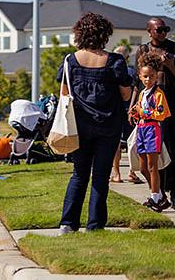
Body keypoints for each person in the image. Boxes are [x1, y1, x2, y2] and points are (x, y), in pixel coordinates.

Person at [58, 12, 133, 233]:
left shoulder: (70, 61)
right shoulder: (115, 62)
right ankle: (94, 225)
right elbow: (126, 95)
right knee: (101, 177)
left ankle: (68, 223)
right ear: (104, 35)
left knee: (79, 175)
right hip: (108, 125)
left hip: (79, 126)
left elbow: (64, 92)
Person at [138, 18, 175, 205]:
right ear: (149, 31)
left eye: (165, 29)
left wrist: (170, 65)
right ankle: (159, 193)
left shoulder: (173, 48)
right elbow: (138, 80)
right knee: (151, 154)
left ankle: (174, 192)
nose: (162, 33)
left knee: (172, 148)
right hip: (149, 109)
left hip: (171, 105)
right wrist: (132, 106)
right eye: (159, 30)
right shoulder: (143, 50)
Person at [131, 49, 171, 211]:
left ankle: (155, 196)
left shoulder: (158, 93)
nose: (148, 79)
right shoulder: (142, 93)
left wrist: (143, 112)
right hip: (141, 128)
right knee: (142, 168)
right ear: (140, 76)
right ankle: (159, 194)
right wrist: (135, 111)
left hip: (152, 129)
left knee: (153, 165)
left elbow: (162, 114)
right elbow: (139, 111)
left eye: (151, 76)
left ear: (156, 76)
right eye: (145, 76)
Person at [111, 44, 142, 184]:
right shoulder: (131, 71)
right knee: (132, 142)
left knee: (115, 143)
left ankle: (116, 173)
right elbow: (135, 90)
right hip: (130, 109)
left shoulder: (110, 69)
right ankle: (132, 172)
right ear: (128, 57)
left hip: (115, 109)